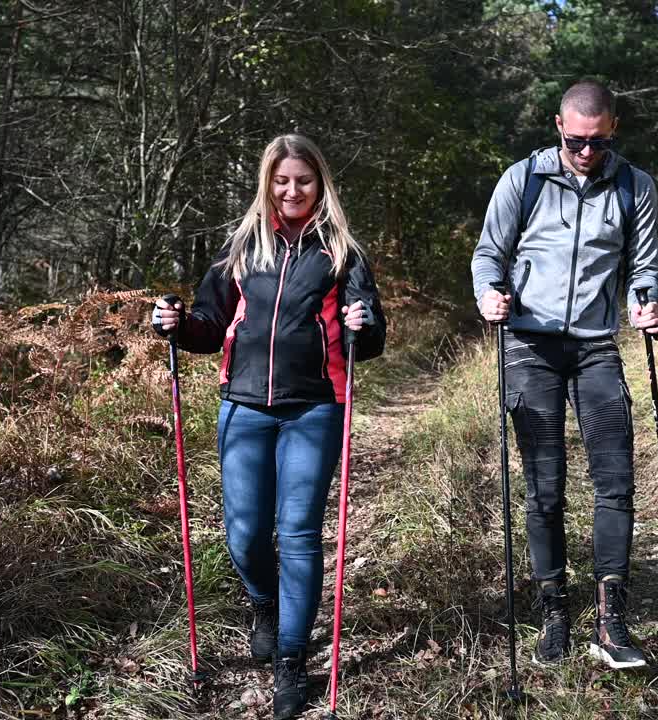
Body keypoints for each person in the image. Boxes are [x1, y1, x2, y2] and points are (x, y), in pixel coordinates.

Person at [152, 134, 385, 720]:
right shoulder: (242, 246)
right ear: (267, 183)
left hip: (315, 405)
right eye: (282, 180)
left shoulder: (342, 253)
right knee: (244, 533)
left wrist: (364, 322)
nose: (291, 190)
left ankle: (291, 662)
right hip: (245, 405)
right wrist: (177, 324)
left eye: (303, 180)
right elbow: (209, 324)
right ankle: (264, 601)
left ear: (319, 184)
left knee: (299, 532)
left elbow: (371, 334)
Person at [470, 79, 658, 670]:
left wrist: (646, 301)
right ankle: (554, 609)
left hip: (595, 344)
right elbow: (489, 254)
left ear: (613, 129)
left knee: (616, 479)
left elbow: (643, 264)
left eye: (598, 142)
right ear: (558, 125)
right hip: (529, 344)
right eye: (577, 140)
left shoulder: (634, 185)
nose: (586, 152)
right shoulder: (522, 181)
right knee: (545, 485)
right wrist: (488, 295)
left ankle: (612, 619)